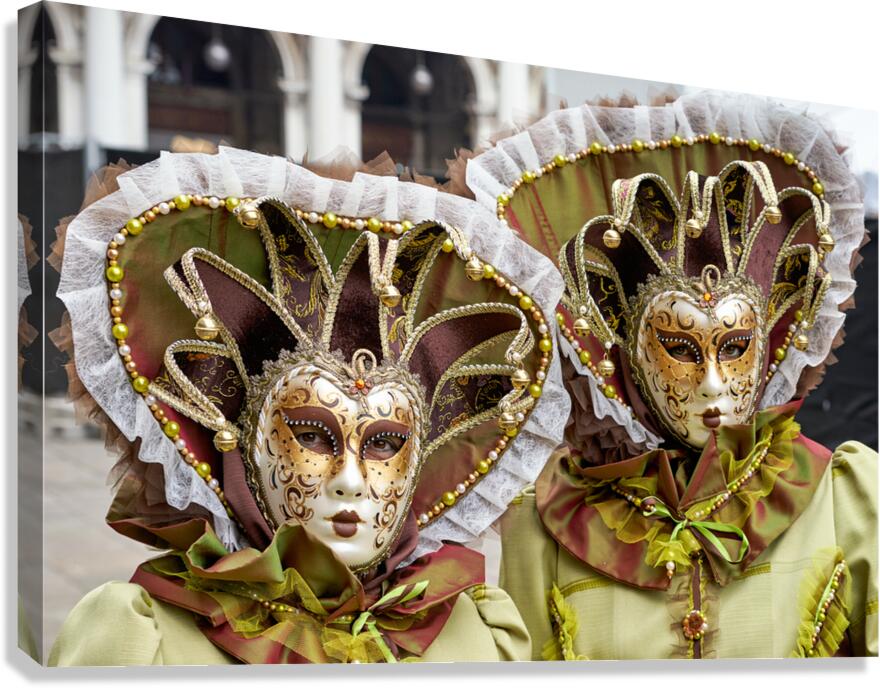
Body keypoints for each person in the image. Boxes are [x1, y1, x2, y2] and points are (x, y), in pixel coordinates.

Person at [48, 146, 567, 664]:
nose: (350, 480)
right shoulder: (144, 641)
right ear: (243, 443)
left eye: (385, 443)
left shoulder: (477, 636)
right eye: (313, 435)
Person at [467, 92, 878, 659]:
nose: (712, 384)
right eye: (681, 349)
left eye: (734, 347)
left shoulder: (844, 501)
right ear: (628, 354)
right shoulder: (541, 527)